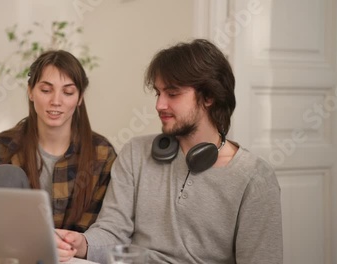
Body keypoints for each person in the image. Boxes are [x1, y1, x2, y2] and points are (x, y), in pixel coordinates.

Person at [56, 39, 283, 263]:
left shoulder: (255, 178)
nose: (159, 105)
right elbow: (113, 232)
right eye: (158, 93)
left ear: (209, 97)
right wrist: (82, 243)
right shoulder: (135, 153)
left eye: (172, 94)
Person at [0, 50, 117, 232]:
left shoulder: (102, 155)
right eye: (46, 90)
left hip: (71, 257)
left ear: (80, 98)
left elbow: (106, 229)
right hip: (4, 254)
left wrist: (65, 245)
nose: (56, 101)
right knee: (9, 176)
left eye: (68, 92)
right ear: (31, 92)